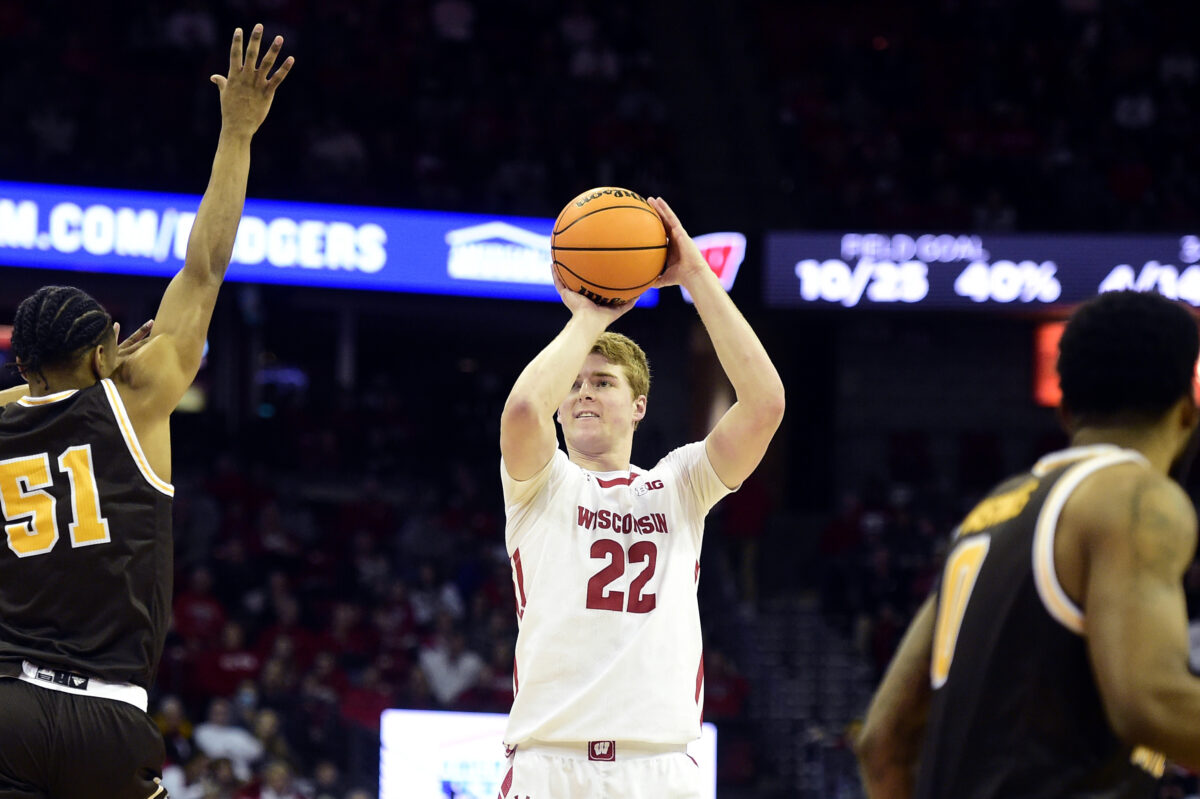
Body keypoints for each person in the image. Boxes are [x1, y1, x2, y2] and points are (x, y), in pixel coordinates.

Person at [0, 24, 292, 799]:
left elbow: (35, 391)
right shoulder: (138, 395)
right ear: (106, 356)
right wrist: (236, 131)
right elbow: (205, 266)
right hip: (106, 715)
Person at [856, 289, 1200, 799]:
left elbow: (881, 740)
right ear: (1187, 413)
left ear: (1065, 412)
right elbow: (1150, 703)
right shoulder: (1134, 494)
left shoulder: (990, 515)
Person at [496, 196, 785, 797]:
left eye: (602, 383)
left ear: (638, 407)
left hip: (659, 765)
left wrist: (697, 276)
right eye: (574, 385)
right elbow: (525, 408)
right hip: (551, 762)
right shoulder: (539, 483)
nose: (583, 395)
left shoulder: (679, 484)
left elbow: (764, 405)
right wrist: (590, 316)